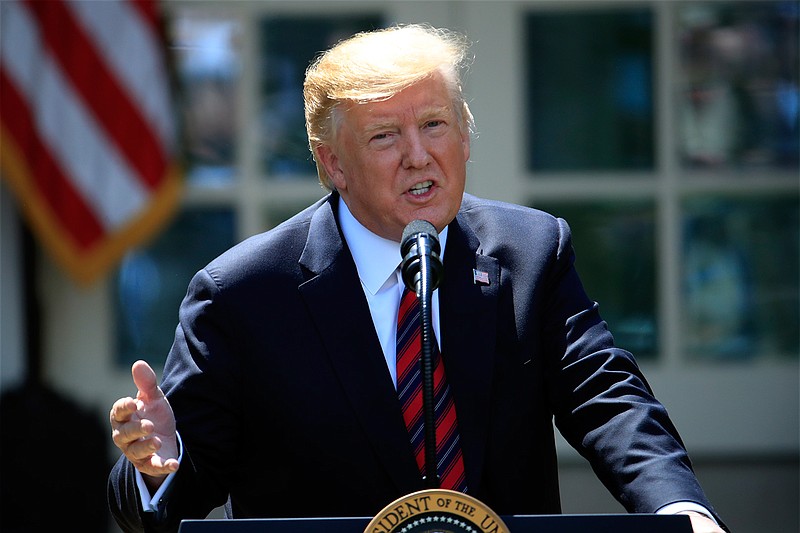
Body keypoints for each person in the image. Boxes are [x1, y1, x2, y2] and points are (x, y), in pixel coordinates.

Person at [108, 24, 727, 533]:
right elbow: (165, 499)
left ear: (463, 136)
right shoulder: (242, 294)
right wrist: (161, 468)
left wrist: (679, 512)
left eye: (434, 125)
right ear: (332, 165)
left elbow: (608, 399)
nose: (418, 154)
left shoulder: (532, 251)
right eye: (384, 136)